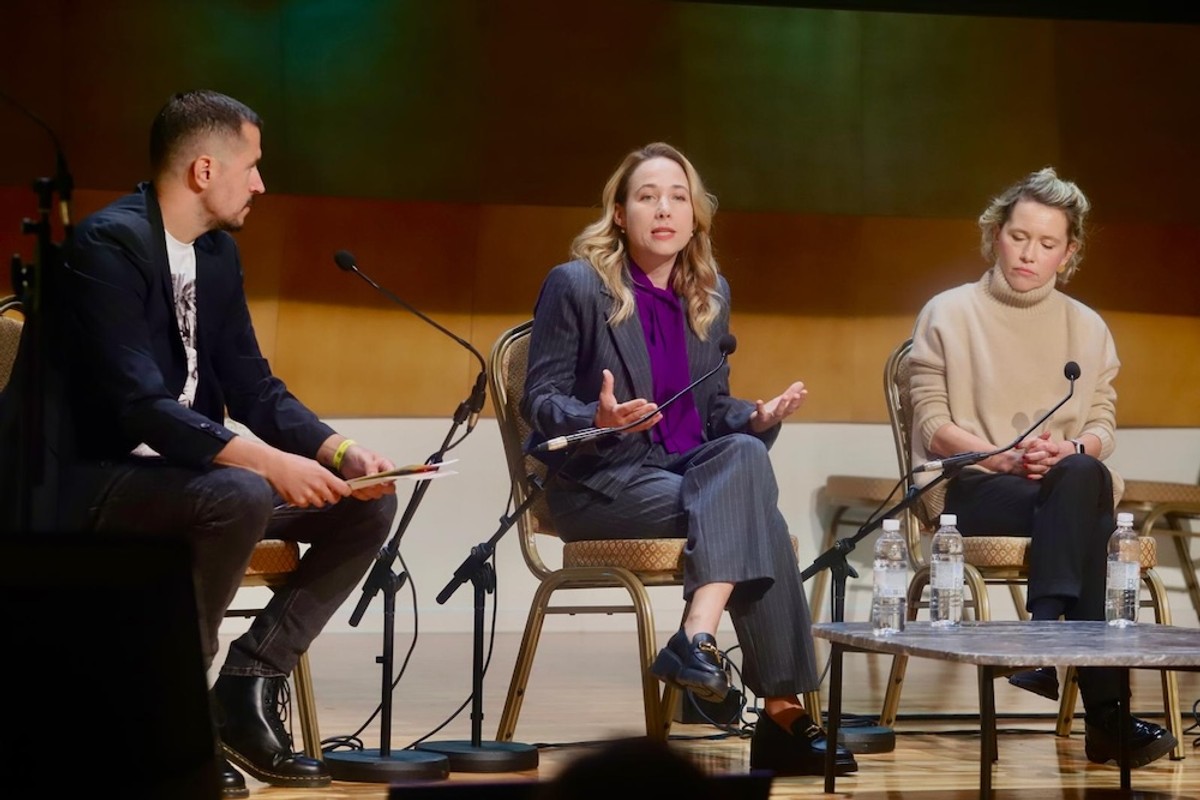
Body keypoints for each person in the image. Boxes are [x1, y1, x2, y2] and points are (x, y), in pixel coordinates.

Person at [0, 91, 399, 796]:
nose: (261, 184)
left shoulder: (215, 255)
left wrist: (337, 452)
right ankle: (170, 713)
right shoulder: (105, 246)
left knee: (364, 505)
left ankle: (244, 689)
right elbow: (139, 407)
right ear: (204, 170)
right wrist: (270, 463)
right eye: (252, 166)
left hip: (188, 483)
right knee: (239, 491)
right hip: (86, 480)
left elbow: (253, 388)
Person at [521, 142, 856, 777]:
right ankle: (783, 714)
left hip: (683, 473)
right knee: (752, 510)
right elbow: (538, 400)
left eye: (678, 197)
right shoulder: (577, 286)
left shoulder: (708, 291)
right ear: (620, 213)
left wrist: (756, 417)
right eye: (647, 196)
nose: (664, 209)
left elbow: (711, 412)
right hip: (603, 484)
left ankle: (697, 636)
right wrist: (599, 416)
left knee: (745, 459)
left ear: (696, 214)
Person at [908, 166, 1177, 767]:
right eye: (1019, 236)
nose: (1029, 253)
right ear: (994, 234)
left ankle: (1042, 631)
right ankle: (1106, 716)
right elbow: (929, 419)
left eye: (1047, 243)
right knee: (1096, 526)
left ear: (1069, 252)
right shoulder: (948, 313)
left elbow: (1101, 424)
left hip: (1060, 491)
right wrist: (991, 451)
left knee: (1082, 477)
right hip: (974, 488)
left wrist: (1071, 450)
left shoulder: (1086, 326)